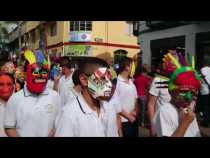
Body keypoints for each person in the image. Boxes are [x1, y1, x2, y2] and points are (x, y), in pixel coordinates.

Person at [4, 50, 61, 137]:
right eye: (35, 73)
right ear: (26, 74)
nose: (39, 76)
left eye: (43, 73)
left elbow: (59, 123)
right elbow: (9, 127)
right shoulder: (15, 99)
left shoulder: (55, 96)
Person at [55, 57, 114, 137]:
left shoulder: (109, 108)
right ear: (84, 80)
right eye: (103, 78)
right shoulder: (69, 114)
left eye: (110, 79)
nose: (109, 84)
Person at [153, 51, 201, 137]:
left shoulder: (188, 111)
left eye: (192, 93)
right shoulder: (165, 111)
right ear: (171, 91)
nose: (189, 97)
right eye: (184, 91)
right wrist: (185, 123)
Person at [116, 57, 139, 137]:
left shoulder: (132, 82)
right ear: (127, 67)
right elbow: (115, 104)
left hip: (134, 119)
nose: (134, 67)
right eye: (132, 65)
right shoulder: (116, 83)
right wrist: (128, 116)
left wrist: (135, 110)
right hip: (123, 122)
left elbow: (135, 100)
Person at [147, 61, 171, 136]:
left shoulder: (179, 82)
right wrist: (153, 126)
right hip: (160, 125)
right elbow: (151, 104)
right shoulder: (158, 80)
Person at [199, 59, 210, 127]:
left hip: (204, 91)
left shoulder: (201, 70)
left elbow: (200, 79)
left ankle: (206, 122)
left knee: (205, 106)